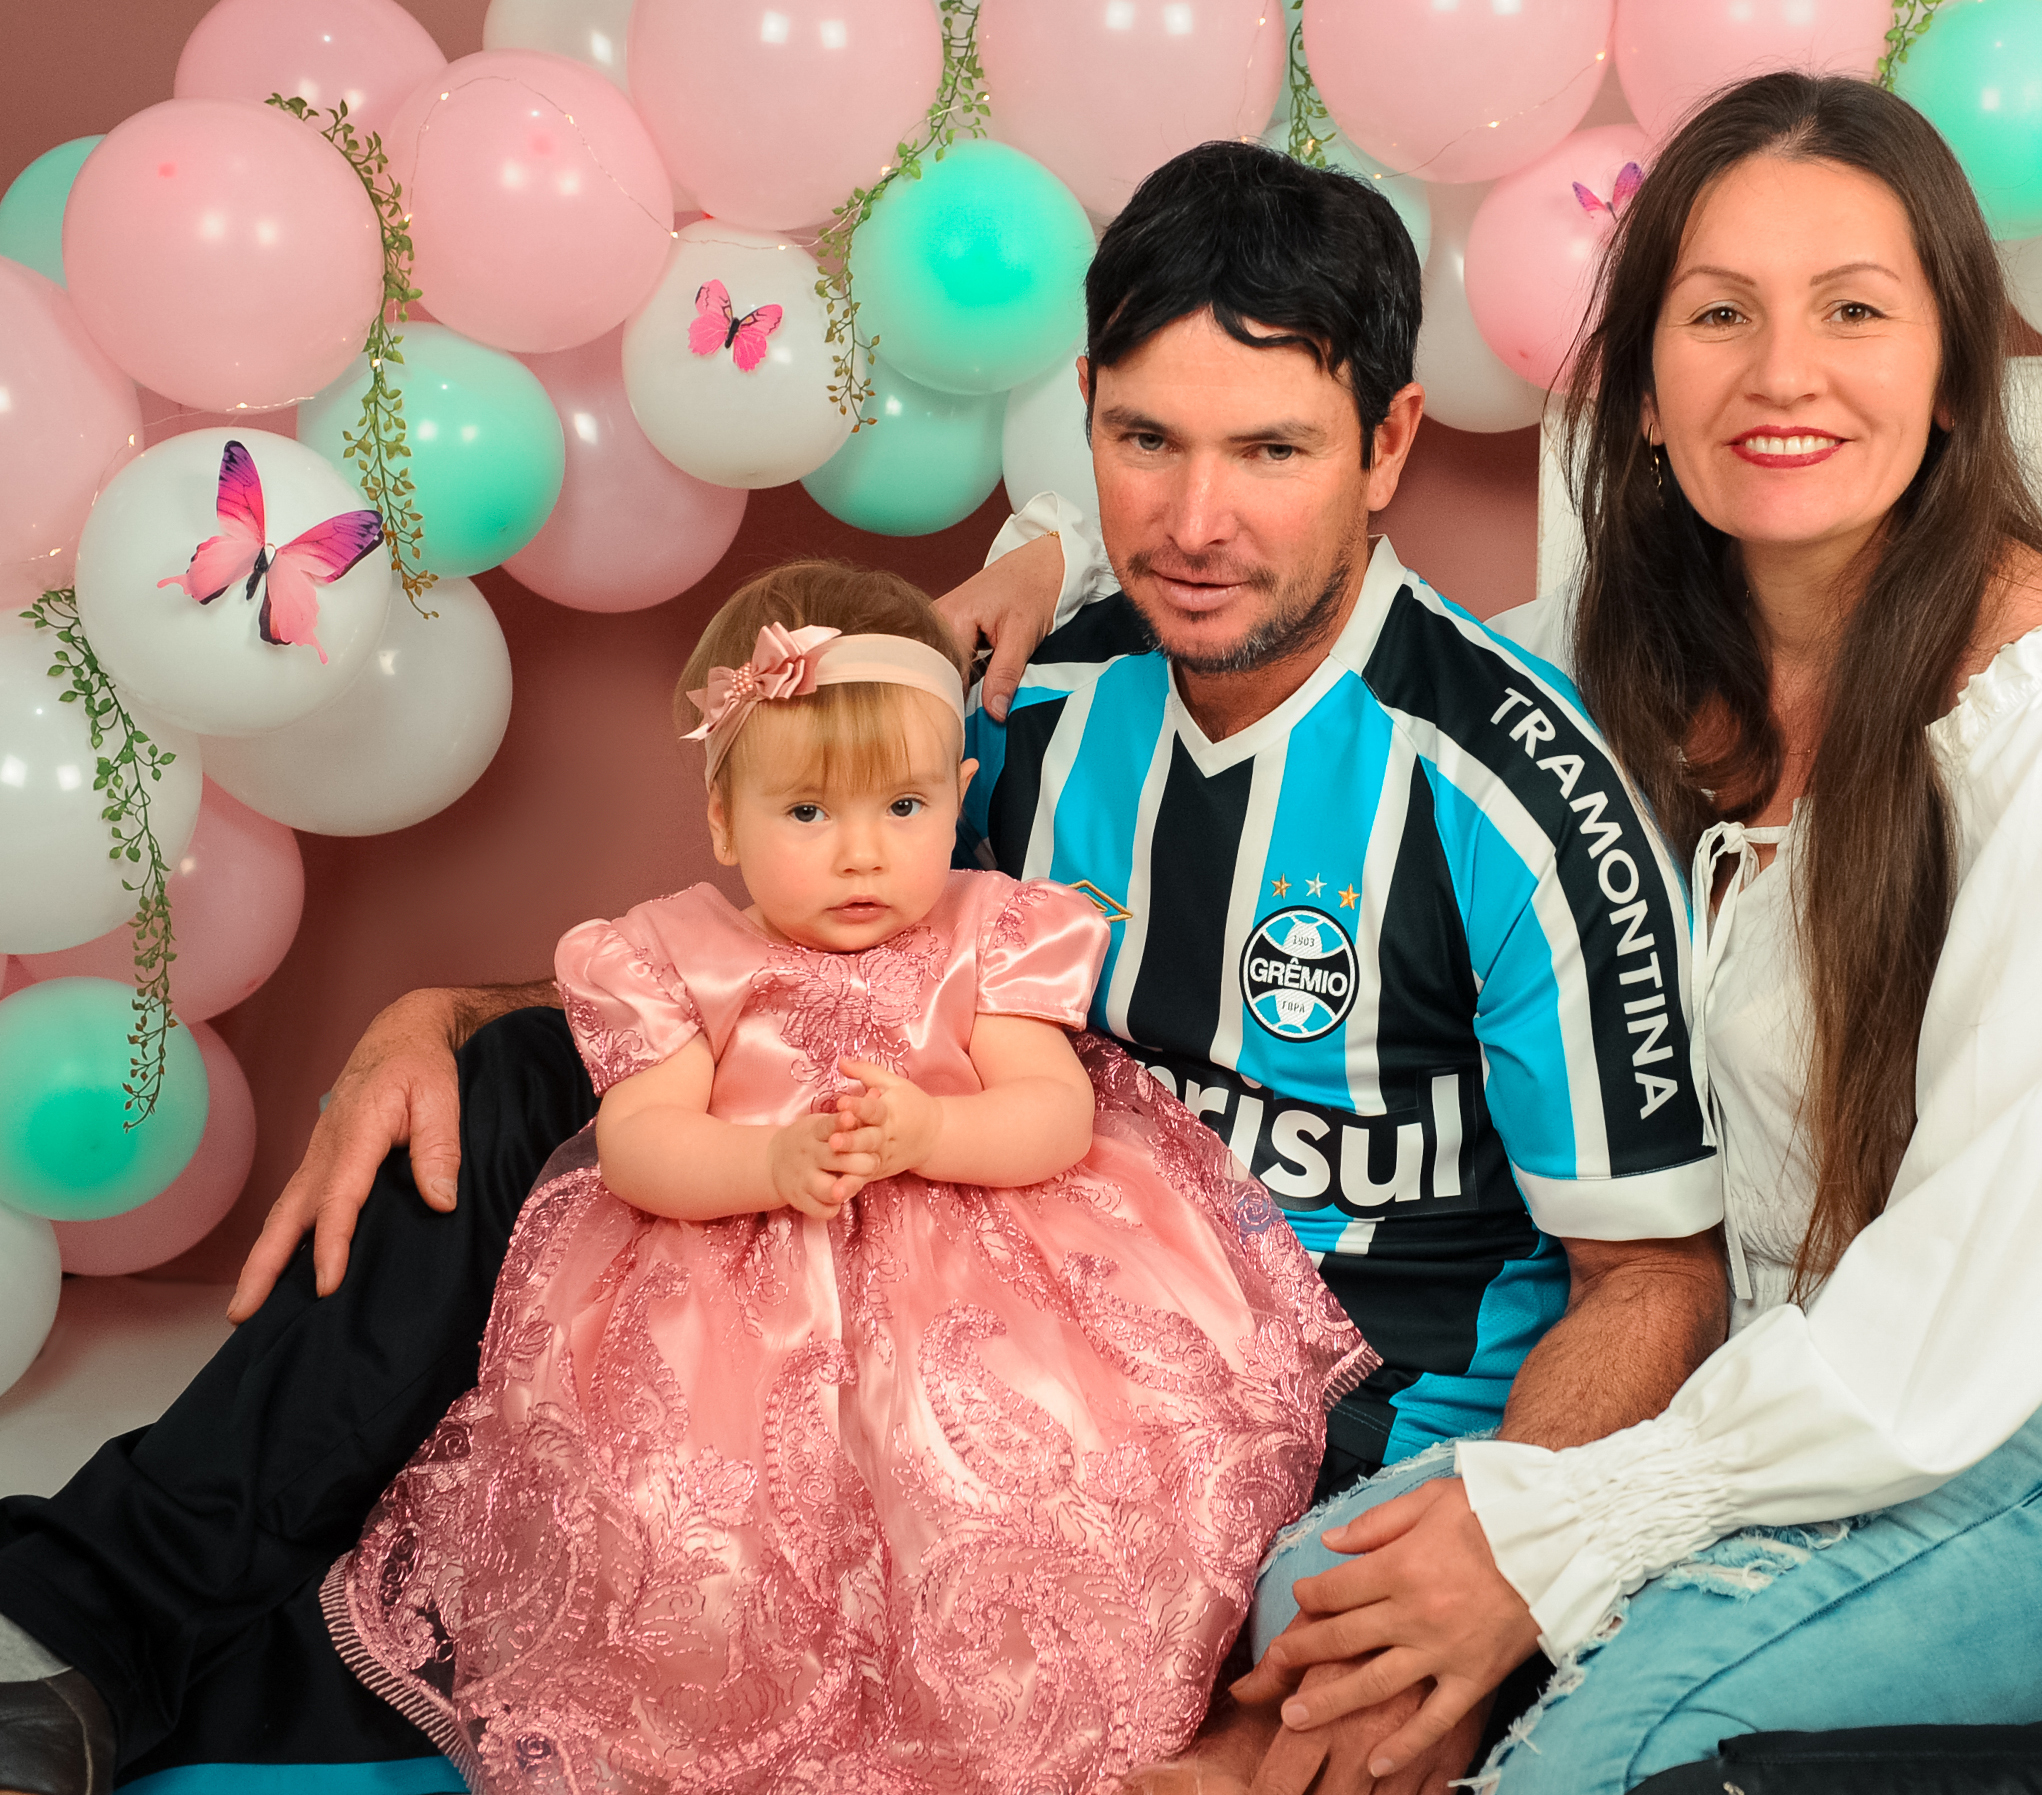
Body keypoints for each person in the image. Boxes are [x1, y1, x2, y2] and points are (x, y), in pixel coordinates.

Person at [0, 140, 1721, 1795]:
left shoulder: (1515, 795)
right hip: (984, 1287)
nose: (1196, 520)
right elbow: (797, 962)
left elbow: (1655, 1275)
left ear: (1388, 441)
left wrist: (1501, 1538)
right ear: (1088, 419)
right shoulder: (1033, 700)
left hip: (1329, 1398)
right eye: (1145, 440)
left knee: (1246, 1678)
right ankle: (84, 1635)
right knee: (514, 1093)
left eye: (1270, 449)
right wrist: (440, 1017)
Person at [1185, 71, 2042, 1794]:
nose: (1781, 373)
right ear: (1640, 389)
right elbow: (1328, 663)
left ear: (1949, 374)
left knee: (1598, 1765)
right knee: (1313, 1609)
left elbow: (1973, 1291)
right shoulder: (1592, 658)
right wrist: (1032, 569)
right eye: (1718, 315)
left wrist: (1555, 1536)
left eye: (1852, 311)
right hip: (1744, 1372)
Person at [322, 563, 1374, 1792]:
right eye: (808, 813)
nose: (861, 852)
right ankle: (728, 1704)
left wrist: (929, 1132)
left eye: (904, 806)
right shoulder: (677, 955)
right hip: (737, 1296)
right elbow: (639, 1141)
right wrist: (765, 1159)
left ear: (958, 796)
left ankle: (991, 1696)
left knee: (1014, 1466)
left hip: (983, 1284)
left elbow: (1052, 1114)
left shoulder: (990, 931)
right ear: (726, 821)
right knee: (691, 1517)